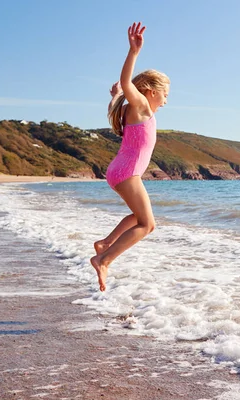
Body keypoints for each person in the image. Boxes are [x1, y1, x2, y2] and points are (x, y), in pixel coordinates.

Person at [91, 22, 170, 291]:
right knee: (148, 225)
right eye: (165, 94)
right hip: (126, 172)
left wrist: (115, 97)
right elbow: (127, 82)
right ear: (150, 91)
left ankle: (106, 243)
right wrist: (133, 51)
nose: (166, 101)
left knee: (137, 218)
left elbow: (118, 99)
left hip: (120, 171)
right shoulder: (141, 107)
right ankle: (104, 260)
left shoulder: (127, 110)